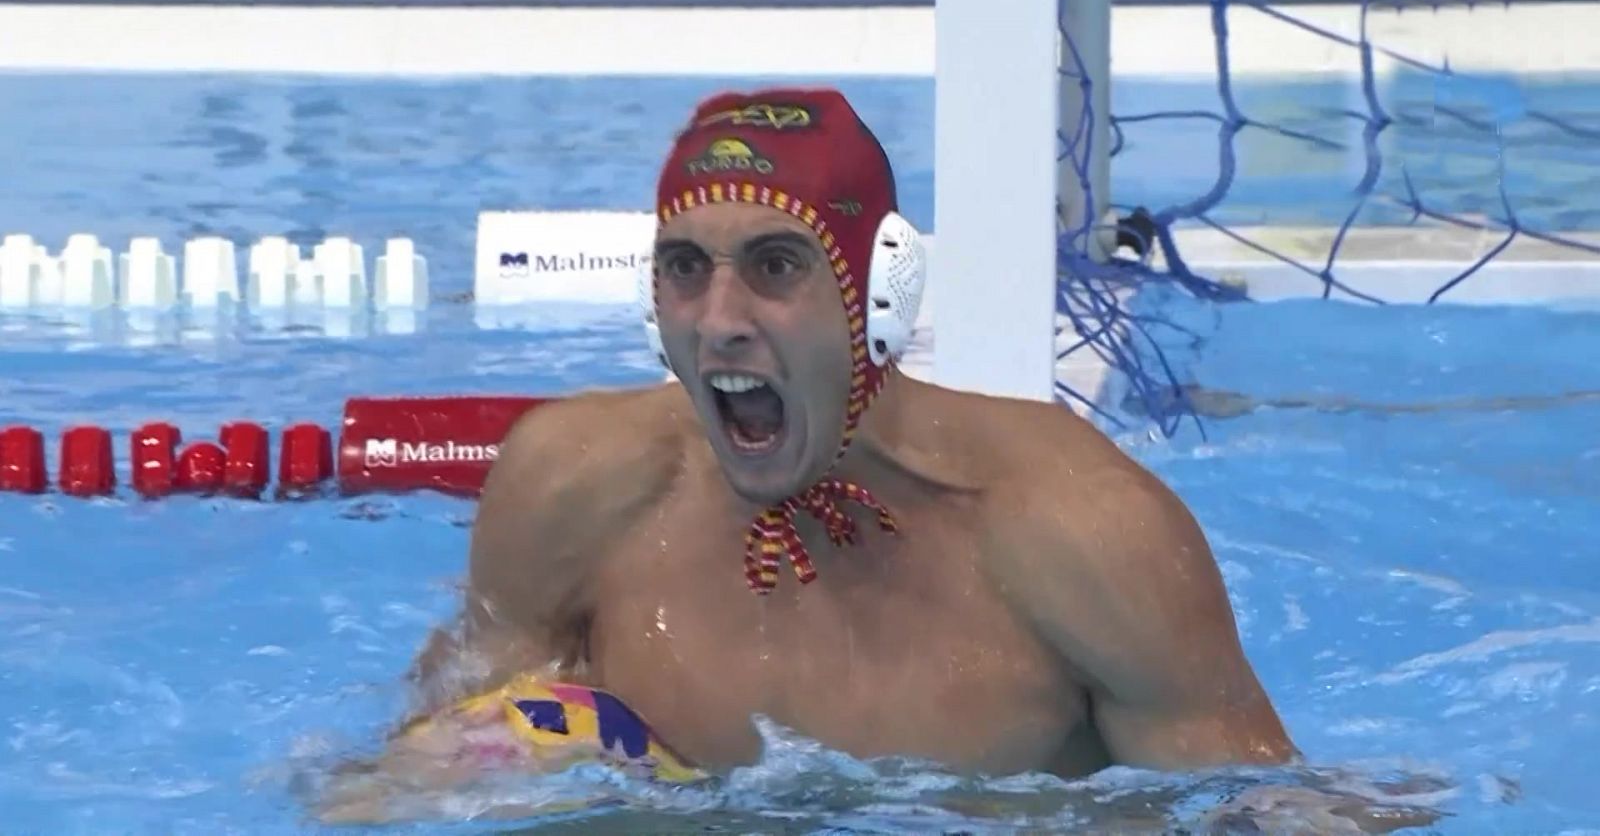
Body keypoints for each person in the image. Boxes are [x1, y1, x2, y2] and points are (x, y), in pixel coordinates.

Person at [315, 86, 1306, 821]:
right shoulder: (573, 491)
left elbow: (1266, 809)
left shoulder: (1073, 532)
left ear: (877, 291)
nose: (719, 322)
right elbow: (391, 781)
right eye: (684, 271)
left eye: (775, 267)